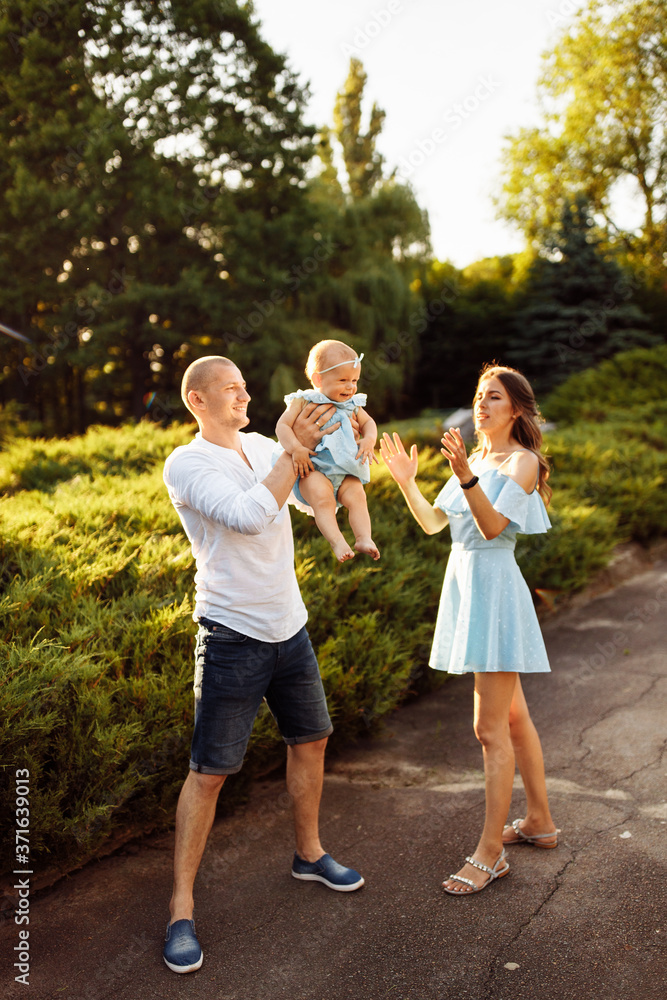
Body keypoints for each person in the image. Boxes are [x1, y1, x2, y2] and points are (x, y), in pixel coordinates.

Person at [161, 355, 364, 974]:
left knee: (312, 740)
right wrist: (289, 453)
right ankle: (180, 910)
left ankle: (309, 855)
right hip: (232, 635)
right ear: (198, 401)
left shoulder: (261, 445)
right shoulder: (188, 463)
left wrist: (343, 453)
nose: (245, 396)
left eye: (245, 387)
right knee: (210, 773)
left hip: (289, 626)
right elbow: (250, 517)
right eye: (231, 389)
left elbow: (305, 498)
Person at [380, 363, 558, 895]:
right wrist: (407, 482)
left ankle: (490, 852)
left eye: (494, 396)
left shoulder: (522, 462)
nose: (482, 403)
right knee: (513, 717)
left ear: (517, 409)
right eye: (480, 395)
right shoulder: (475, 459)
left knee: (488, 730)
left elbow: (493, 527)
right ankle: (540, 822)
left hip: (496, 592)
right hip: (465, 585)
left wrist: (464, 474)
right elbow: (435, 524)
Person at [276, 339, 380, 562]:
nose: (350, 387)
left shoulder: (353, 404)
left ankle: (364, 538)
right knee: (323, 501)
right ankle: (337, 541)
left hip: (345, 470)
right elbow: (282, 426)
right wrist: (296, 448)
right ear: (318, 379)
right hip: (314, 468)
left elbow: (369, 423)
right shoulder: (303, 401)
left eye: (354, 380)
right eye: (343, 380)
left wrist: (369, 440)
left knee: (358, 496)